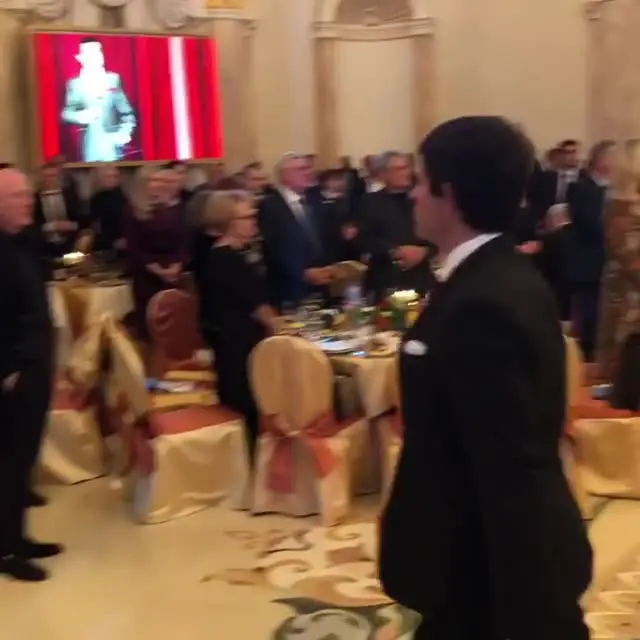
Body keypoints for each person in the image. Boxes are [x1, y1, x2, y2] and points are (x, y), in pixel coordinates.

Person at [379, 116, 592, 640]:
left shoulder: (483, 302)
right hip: (472, 556)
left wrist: (530, 607)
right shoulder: (500, 274)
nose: (413, 196)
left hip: (480, 568)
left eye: (421, 182)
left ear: (448, 194)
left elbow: (508, 467)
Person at [0, 168, 63, 582]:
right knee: (6, 464)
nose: (29, 202)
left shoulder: (21, 242)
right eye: (18, 197)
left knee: (22, 460)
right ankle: (5, 551)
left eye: (28, 195)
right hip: (12, 373)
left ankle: (17, 537)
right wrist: (7, 370)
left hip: (34, 366)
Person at [200, 190, 277, 458]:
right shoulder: (226, 259)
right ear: (228, 222)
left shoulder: (236, 253)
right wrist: (282, 330)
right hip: (239, 347)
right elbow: (257, 306)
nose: (254, 221)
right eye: (247, 217)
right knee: (249, 409)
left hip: (243, 341)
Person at [258, 153, 342, 308]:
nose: (308, 172)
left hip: (323, 284)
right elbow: (273, 248)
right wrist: (302, 273)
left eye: (308, 168)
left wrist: (330, 267)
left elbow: (325, 237)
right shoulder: (270, 206)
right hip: (291, 288)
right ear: (285, 174)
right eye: (301, 169)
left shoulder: (315, 200)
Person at [358, 151, 436, 302]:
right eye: (398, 169)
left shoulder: (422, 199)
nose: (405, 173)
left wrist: (425, 251)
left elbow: (438, 232)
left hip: (421, 278)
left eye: (406, 167)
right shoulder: (369, 202)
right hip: (385, 278)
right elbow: (364, 238)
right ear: (384, 174)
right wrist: (395, 251)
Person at [125, 167, 189, 340]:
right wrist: (159, 271)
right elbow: (135, 249)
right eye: (153, 180)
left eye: (161, 180)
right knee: (152, 329)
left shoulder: (171, 209)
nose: (159, 184)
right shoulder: (133, 212)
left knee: (175, 326)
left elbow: (183, 241)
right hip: (147, 276)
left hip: (174, 274)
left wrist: (177, 265)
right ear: (143, 184)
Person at [567, 139, 615, 361]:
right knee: (590, 316)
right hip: (590, 262)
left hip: (613, 263)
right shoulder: (580, 188)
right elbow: (591, 223)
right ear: (599, 159)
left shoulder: (619, 189)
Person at [61, 38, 136, 162]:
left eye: (98, 52)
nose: (97, 56)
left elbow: (127, 113)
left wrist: (124, 132)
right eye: (91, 53)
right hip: (89, 148)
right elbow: (66, 113)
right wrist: (81, 116)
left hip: (112, 148)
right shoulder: (75, 84)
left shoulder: (113, 79)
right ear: (81, 58)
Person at [33, 161, 87, 273]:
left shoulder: (70, 196)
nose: (50, 179)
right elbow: (32, 226)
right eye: (46, 176)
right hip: (45, 248)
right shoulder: (34, 199)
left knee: (73, 274)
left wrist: (70, 226)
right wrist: (52, 226)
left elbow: (83, 222)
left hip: (70, 245)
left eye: (53, 176)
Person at [89, 163, 128, 254]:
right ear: (99, 178)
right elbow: (95, 225)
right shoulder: (97, 199)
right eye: (108, 176)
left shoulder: (123, 197)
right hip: (105, 245)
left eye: (115, 176)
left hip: (124, 242)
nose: (113, 179)